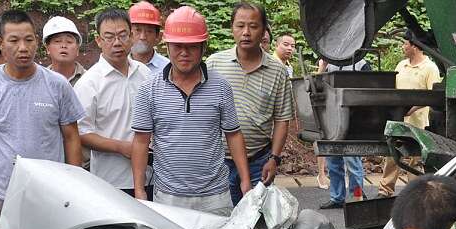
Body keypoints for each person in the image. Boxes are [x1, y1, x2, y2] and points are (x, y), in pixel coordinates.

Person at [0, 9, 84, 229]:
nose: (23, 47)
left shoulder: (58, 85)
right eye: (14, 40)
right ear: (0, 43)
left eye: (28, 40)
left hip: (53, 194)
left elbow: (71, 137)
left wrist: (73, 186)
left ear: (37, 42)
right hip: (5, 193)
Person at [130, 5, 250, 214]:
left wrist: (245, 182)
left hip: (215, 196)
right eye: (177, 46)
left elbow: (234, 135)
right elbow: (141, 141)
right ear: (167, 46)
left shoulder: (221, 87)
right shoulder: (149, 89)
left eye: (192, 46)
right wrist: (139, 190)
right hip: (167, 196)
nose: (184, 53)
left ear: (203, 47)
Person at [206, 2, 293, 206]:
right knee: (221, 221)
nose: (246, 32)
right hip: (219, 162)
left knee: (254, 223)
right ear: (232, 28)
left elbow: (282, 119)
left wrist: (275, 158)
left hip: (258, 162)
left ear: (264, 31)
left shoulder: (277, 71)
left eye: (253, 27)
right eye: (240, 26)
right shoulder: (213, 64)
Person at [75, 8, 151, 197]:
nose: (117, 43)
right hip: (111, 180)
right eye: (109, 37)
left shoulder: (145, 73)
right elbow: (80, 132)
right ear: (98, 40)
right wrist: (121, 147)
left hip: (150, 177)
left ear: (132, 36)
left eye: (122, 35)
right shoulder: (90, 82)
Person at [378, 37, 441, 198]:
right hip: (398, 120)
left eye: (405, 44)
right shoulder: (401, 65)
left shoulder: (430, 68)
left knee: (415, 159)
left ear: (415, 46)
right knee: (392, 155)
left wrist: (412, 109)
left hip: (418, 122)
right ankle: (385, 190)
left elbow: (432, 95)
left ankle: (416, 194)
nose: (402, 47)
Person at [318, 59, 369, 210]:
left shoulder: (361, 64)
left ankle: (357, 196)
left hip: (353, 120)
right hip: (332, 119)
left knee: (353, 162)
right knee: (333, 162)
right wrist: (323, 67)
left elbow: (369, 90)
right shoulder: (331, 64)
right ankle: (337, 197)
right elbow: (318, 87)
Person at [43, 16, 85, 85]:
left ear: (77, 49)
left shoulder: (89, 79)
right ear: (47, 48)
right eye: (57, 41)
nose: (64, 46)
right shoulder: (41, 80)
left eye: (69, 41)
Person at [128, 1, 168, 73]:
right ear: (128, 33)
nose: (142, 37)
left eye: (149, 31)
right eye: (138, 30)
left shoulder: (167, 68)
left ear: (158, 36)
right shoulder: (119, 65)